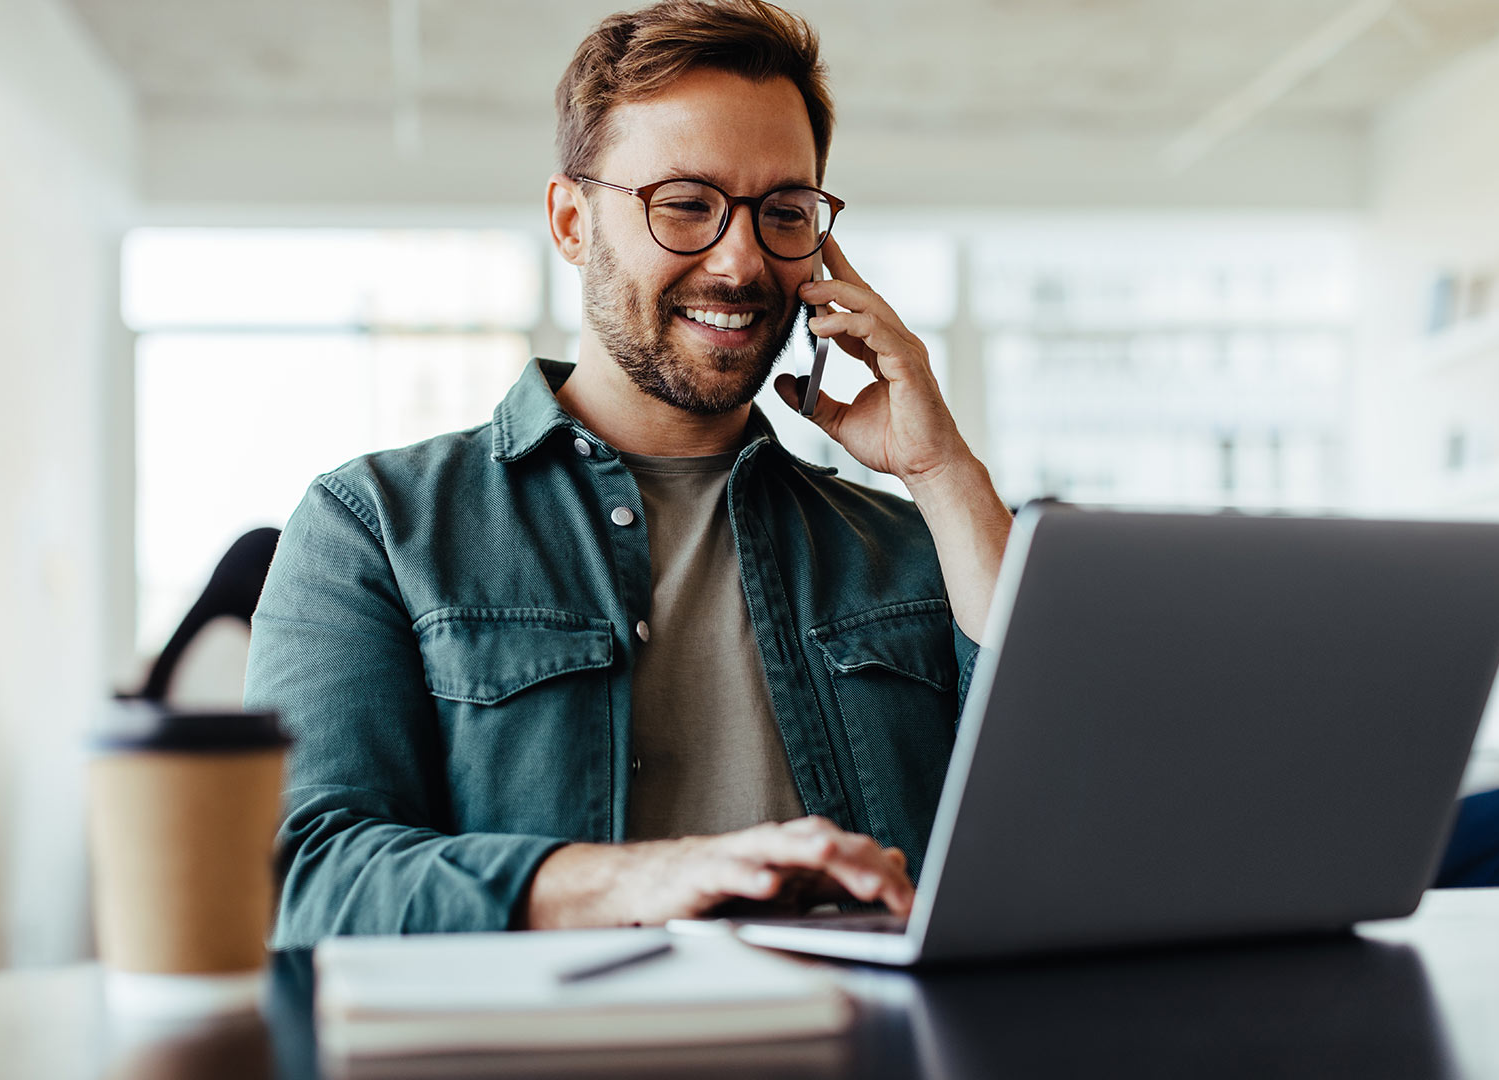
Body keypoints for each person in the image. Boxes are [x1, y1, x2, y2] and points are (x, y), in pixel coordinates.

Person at [246, 0, 1013, 946]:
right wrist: (647, 877)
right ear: (572, 221)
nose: (740, 262)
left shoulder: (909, 546)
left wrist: (942, 472)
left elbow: (1072, 811)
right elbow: (301, 878)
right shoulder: (376, 526)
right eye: (685, 204)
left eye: (783, 212)